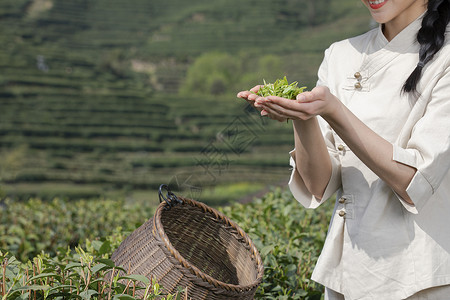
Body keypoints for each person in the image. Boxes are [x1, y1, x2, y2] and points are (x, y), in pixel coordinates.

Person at [237, 0, 450, 299]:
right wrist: (305, 116)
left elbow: (415, 180)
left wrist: (334, 111)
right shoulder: (341, 55)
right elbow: (320, 183)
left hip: (417, 278)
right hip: (348, 272)